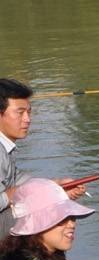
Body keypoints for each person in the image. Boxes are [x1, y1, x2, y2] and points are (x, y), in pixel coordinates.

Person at [0, 79, 86, 237]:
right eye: (20, 113)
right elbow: (13, 193)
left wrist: (56, 186)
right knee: (45, 209)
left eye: (29, 112)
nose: (27, 119)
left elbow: (21, 180)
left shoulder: (6, 149)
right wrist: (14, 195)